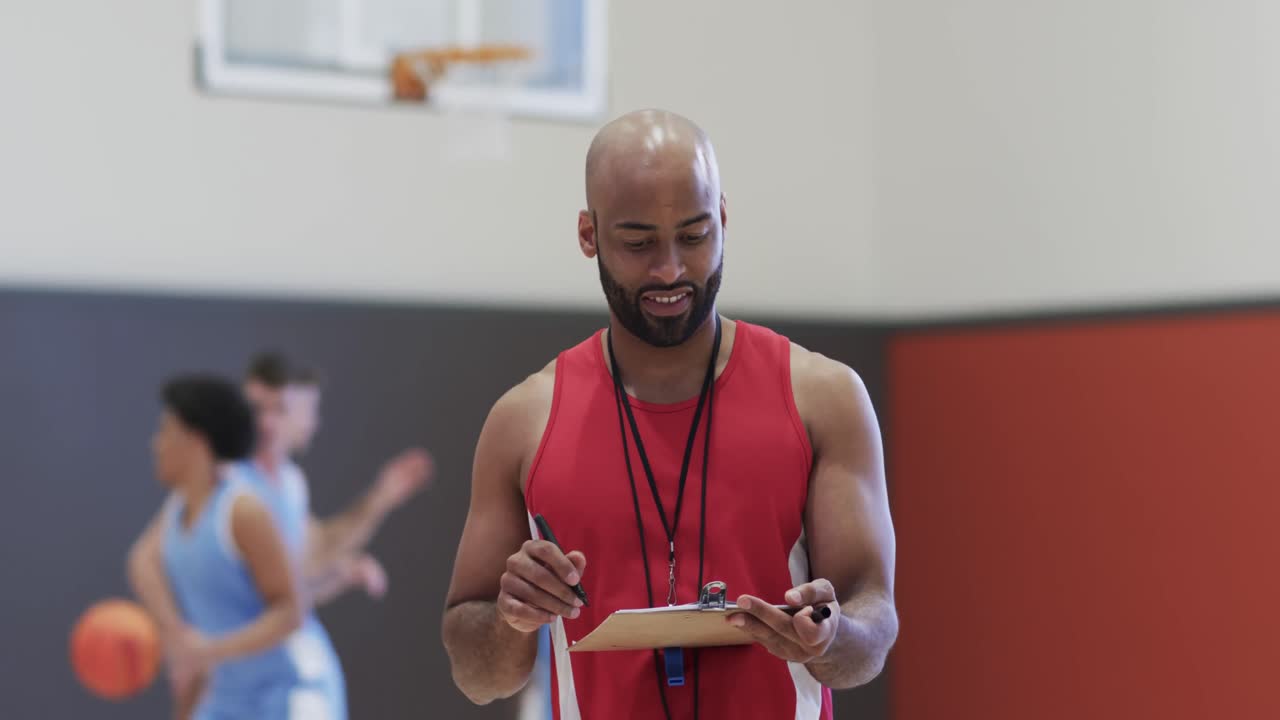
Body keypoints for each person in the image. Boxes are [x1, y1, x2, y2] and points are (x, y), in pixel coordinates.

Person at [442, 109, 899, 719]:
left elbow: (872, 623)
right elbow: (478, 675)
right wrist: (511, 618)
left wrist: (832, 635)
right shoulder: (524, 419)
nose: (669, 270)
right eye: (637, 243)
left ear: (725, 221)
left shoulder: (823, 397)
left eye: (693, 235)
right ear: (588, 235)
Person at [128, 353, 433, 719]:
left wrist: (376, 505)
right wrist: (180, 636)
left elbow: (298, 581)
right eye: (258, 408)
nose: (267, 422)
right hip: (230, 687)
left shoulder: (283, 488)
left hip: (290, 683)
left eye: (279, 410)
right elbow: (144, 561)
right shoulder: (210, 492)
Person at [144, 373, 311, 718]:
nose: (155, 443)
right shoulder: (176, 508)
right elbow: (140, 562)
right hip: (224, 701)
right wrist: (176, 632)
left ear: (196, 440)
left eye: (165, 431)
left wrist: (208, 649)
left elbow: (291, 611)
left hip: (281, 698)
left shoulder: (242, 511)